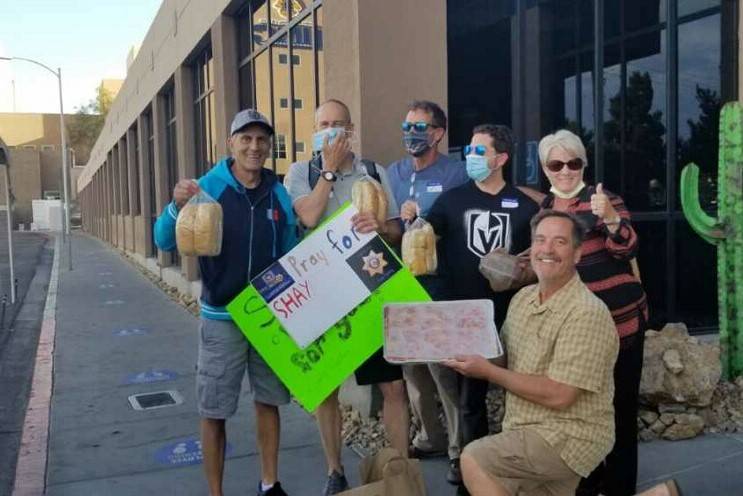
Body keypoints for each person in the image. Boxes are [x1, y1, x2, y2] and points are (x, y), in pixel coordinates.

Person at [154, 109, 298, 496]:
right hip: (222, 319)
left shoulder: (279, 192)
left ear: (270, 146)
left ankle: (269, 484)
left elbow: (290, 251)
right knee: (214, 410)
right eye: (246, 139)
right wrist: (174, 206)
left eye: (261, 140)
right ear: (230, 143)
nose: (254, 147)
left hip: (267, 318)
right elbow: (164, 240)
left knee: (269, 402)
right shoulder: (207, 187)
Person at [445, 209, 620, 496]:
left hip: (569, 436)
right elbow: (502, 357)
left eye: (560, 242)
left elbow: (560, 394)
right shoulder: (523, 299)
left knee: (475, 459)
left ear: (577, 254)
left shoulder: (586, 313)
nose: (547, 249)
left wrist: (487, 371)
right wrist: (461, 348)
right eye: (540, 240)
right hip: (526, 429)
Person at [283, 99, 404, 495]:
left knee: (392, 386)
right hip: (323, 293)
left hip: (370, 290)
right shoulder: (301, 173)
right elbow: (308, 217)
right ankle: (335, 470)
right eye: (324, 124)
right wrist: (330, 171)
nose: (331, 131)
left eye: (338, 124)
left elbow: (397, 229)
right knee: (327, 387)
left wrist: (382, 227)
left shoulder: (373, 172)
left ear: (350, 129)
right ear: (315, 130)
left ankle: (399, 469)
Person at [425, 124, 542, 493]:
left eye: (479, 151)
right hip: (464, 319)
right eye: (470, 151)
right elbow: (423, 240)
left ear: (501, 158)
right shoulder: (450, 200)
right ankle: (472, 475)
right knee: (469, 402)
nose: (470, 158)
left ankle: (518, 469)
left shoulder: (524, 207)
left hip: (511, 319)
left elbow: (537, 264)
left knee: (520, 399)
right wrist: (410, 220)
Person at [538, 129, 649, 496]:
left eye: (573, 162)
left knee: (620, 411)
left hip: (620, 324)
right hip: (575, 335)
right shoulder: (543, 211)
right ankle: (587, 481)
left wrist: (613, 218)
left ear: (584, 164)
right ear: (545, 168)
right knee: (581, 414)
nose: (565, 170)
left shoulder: (603, 199)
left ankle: (619, 486)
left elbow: (627, 248)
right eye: (556, 163)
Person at [386, 100, 469, 484]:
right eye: (407, 125)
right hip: (401, 284)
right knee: (412, 369)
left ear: (437, 133)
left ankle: (459, 449)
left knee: (442, 370)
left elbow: (461, 221)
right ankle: (430, 436)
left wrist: (425, 220)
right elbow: (388, 228)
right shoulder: (394, 172)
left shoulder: (455, 172)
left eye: (420, 127)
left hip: (439, 282)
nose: (411, 133)